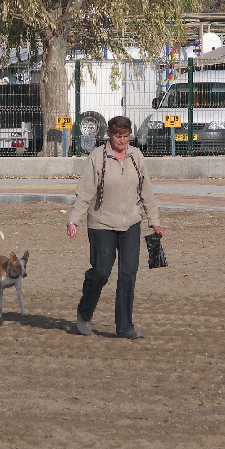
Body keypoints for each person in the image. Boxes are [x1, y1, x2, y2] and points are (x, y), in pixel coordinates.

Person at [66, 116, 164, 339]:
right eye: (118, 136)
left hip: (131, 223)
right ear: (109, 134)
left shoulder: (136, 156)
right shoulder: (97, 157)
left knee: (128, 274)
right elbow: (85, 192)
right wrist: (74, 220)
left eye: (126, 136)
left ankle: (124, 326)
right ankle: (84, 312)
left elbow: (146, 191)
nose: (122, 140)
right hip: (101, 224)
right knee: (101, 272)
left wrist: (154, 221)